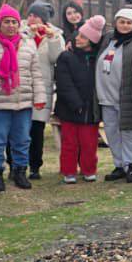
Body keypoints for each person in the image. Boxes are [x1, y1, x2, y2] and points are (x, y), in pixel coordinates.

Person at [0, 4, 46, 192]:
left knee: (22, 139)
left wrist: (39, 97)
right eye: (7, 22)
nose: (11, 25)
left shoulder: (28, 44)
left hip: (22, 102)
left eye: (14, 22)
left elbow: (36, 74)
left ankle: (20, 171)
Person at [95, 8, 132, 184]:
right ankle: (119, 164)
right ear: (115, 22)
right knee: (112, 132)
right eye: (121, 21)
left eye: (128, 22)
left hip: (128, 96)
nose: (124, 25)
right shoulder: (108, 38)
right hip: (106, 96)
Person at [54, 17, 105, 184]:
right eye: (78, 35)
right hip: (70, 108)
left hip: (91, 109)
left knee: (89, 143)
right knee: (69, 143)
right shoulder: (66, 57)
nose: (78, 38)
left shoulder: (97, 57)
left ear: (92, 40)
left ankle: (89, 169)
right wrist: (76, 104)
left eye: (83, 36)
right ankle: (68, 171)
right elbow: (64, 83)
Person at [23, 1, 64, 182]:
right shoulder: (21, 32)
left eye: (36, 16)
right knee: (18, 130)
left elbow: (57, 58)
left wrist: (53, 38)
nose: (32, 19)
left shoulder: (55, 35)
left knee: (37, 130)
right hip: (22, 87)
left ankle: (35, 166)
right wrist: (27, 35)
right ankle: (16, 165)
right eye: (30, 15)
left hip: (43, 88)